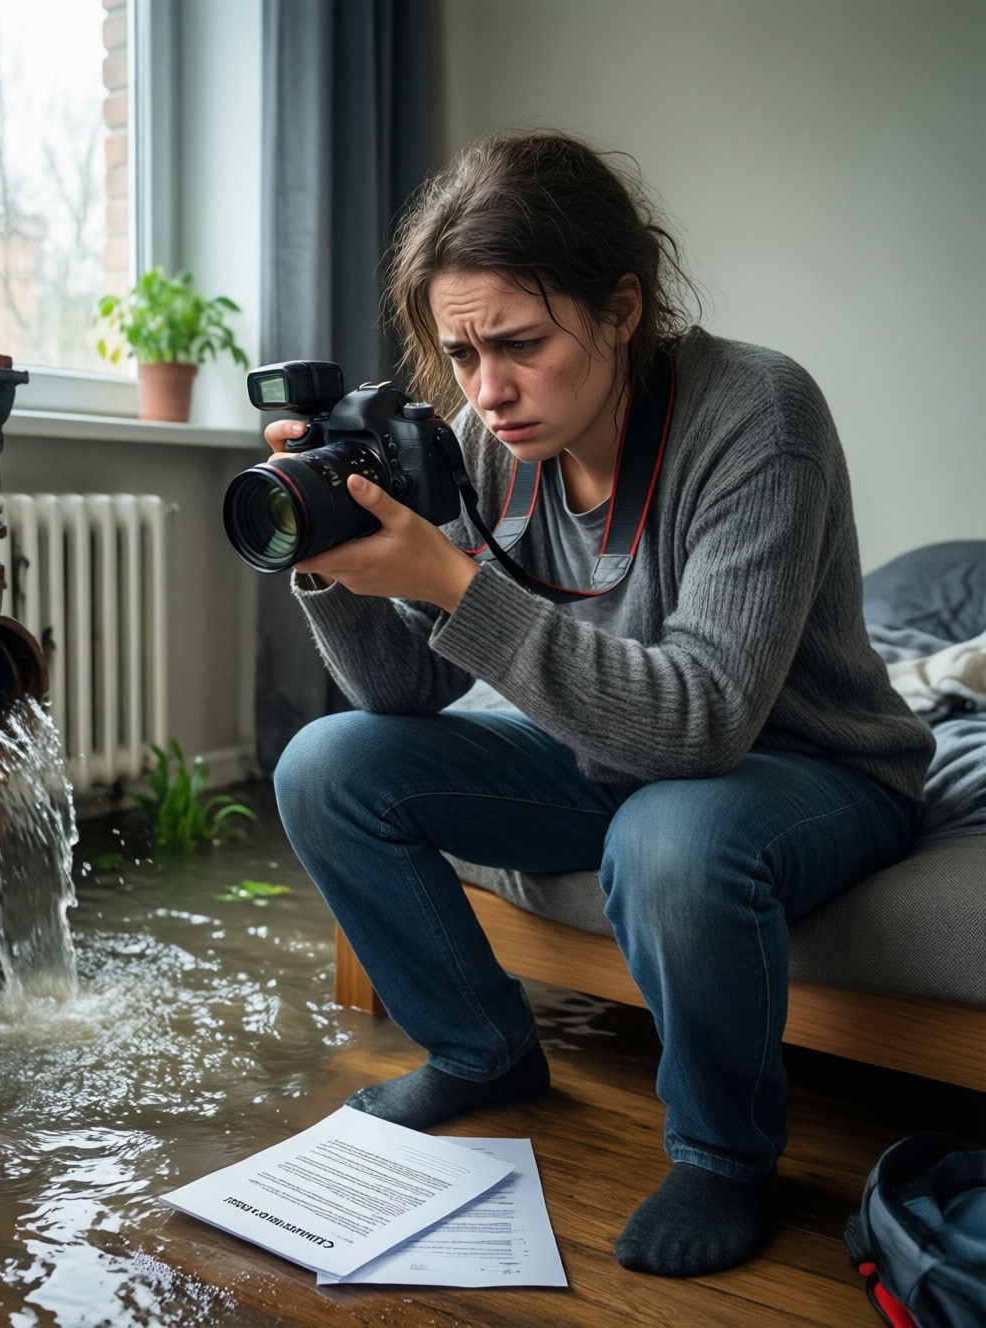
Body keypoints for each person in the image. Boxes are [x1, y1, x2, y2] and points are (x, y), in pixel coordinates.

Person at [265, 130, 933, 1279]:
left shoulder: (758, 413)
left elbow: (703, 723)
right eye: (461, 352)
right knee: (325, 764)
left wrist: (452, 581)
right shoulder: (480, 441)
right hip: (598, 751)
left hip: (810, 766)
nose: (488, 390)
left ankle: (723, 1151)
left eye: (520, 344)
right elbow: (405, 691)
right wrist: (328, 562)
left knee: (665, 834)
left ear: (620, 309)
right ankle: (478, 1050)